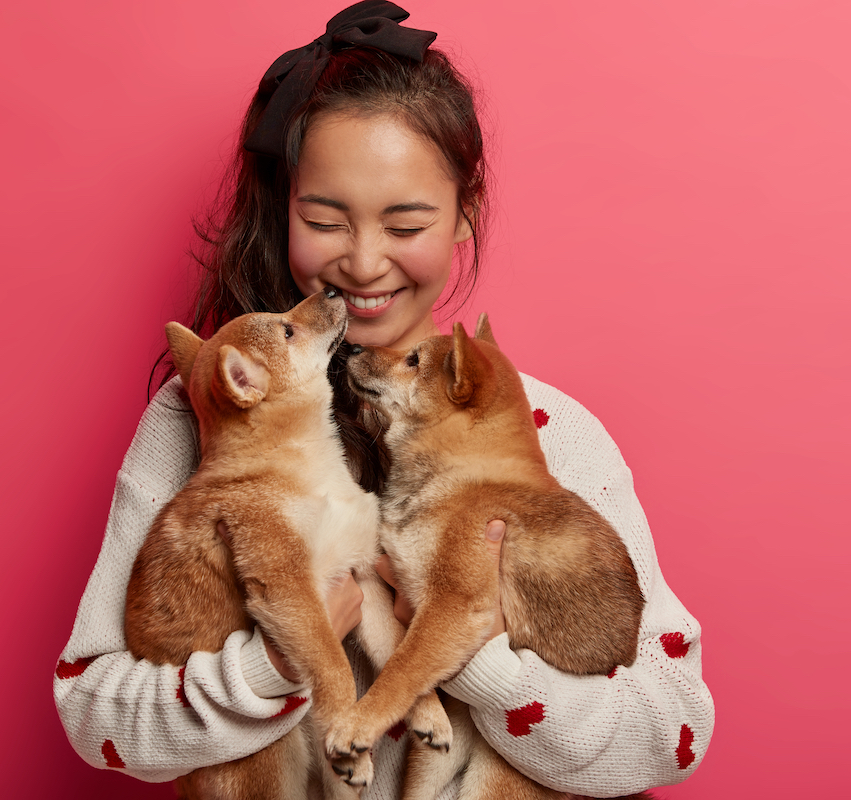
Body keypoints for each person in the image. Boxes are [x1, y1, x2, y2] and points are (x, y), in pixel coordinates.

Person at [53, 2, 714, 797]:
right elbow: (92, 709)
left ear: (466, 213)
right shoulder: (204, 413)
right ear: (282, 210)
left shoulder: (548, 432)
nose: (364, 264)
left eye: (407, 222)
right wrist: (273, 661)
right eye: (324, 219)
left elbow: (669, 730)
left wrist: (472, 654)